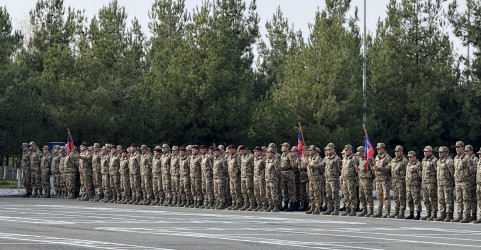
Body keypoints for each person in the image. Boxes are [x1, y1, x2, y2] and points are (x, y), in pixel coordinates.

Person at [453, 141, 472, 223]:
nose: (457, 149)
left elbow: (472, 170)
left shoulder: (467, 158)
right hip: (458, 182)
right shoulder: (455, 158)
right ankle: (459, 215)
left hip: (465, 182)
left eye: (459, 147)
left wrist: (467, 179)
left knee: (466, 199)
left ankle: (466, 216)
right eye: (456, 147)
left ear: (463, 148)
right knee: (459, 199)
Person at [322, 143, 342, 216]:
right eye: (327, 150)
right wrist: (312, 166)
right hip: (327, 179)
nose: (328, 151)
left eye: (329, 149)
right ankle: (329, 208)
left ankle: (336, 209)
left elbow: (340, 170)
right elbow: (321, 165)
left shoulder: (337, 159)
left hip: (334, 179)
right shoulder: (326, 158)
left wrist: (336, 175)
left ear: (333, 149)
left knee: (335, 195)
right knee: (328, 195)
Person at [373, 143, 392, 218]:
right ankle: (379, 211)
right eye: (377, 149)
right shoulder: (377, 157)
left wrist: (379, 168)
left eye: (379, 149)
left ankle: (387, 211)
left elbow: (389, 168)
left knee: (386, 196)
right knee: (379, 196)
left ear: (383, 149)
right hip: (378, 179)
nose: (378, 150)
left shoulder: (388, 158)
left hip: (385, 180)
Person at [436, 146, 455, 222]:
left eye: (441, 152)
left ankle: (449, 214)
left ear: (446, 153)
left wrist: (452, 183)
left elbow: (453, 173)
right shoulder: (439, 162)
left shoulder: (449, 161)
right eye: (439, 152)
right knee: (441, 200)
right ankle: (442, 214)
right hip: (440, 184)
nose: (440, 154)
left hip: (447, 184)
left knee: (448, 200)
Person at [356, 146, 375, 217]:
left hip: (367, 180)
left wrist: (370, 178)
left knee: (368, 195)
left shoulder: (369, 159)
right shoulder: (361, 160)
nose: (359, 154)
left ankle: (371, 210)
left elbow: (373, 170)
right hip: (361, 180)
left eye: (360, 153)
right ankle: (364, 209)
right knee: (361, 196)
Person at [390, 145, 408, 218]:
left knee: (401, 197)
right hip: (394, 182)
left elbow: (408, 171)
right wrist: (378, 168)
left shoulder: (404, 160)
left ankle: (401, 212)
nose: (396, 153)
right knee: (396, 197)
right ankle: (396, 211)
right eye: (395, 151)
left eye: (397, 151)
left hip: (401, 182)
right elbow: (388, 168)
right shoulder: (393, 160)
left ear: (401, 152)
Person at [340, 145, 359, 216]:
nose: (346, 151)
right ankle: (347, 209)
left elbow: (357, 170)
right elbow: (343, 169)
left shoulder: (353, 159)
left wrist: (356, 179)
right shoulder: (345, 159)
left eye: (347, 150)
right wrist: (341, 178)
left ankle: (353, 209)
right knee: (345, 195)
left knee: (352, 195)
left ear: (351, 150)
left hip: (351, 180)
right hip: (345, 180)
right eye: (345, 150)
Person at [421, 145, 438, 220]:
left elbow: (437, 171)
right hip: (425, 182)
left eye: (426, 151)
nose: (425, 153)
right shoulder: (423, 160)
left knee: (432, 198)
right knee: (426, 199)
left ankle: (434, 213)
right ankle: (428, 212)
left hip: (431, 182)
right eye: (424, 151)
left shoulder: (434, 160)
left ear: (430, 152)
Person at [305, 145, 323, 215]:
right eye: (309, 150)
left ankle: (317, 207)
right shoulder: (309, 158)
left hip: (316, 179)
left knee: (317, 194)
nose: (309, 151)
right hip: (310, 179)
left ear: (314, 151)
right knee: (311, 194)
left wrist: (313, 166)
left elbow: (321, 166)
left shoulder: (318, 158)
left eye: (311, 150)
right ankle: (312, 206)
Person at [279, 142, 297, 211]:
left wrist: (291, 171)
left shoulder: (290, 155)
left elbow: (294, 165)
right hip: (283, 174)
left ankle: (292, 204)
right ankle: (285, 204)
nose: (282, 147)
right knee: (285, 190)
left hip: (289, 173)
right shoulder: (282, 155)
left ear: (286, 147)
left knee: (291, 190)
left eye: (283, 146)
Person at [405, 151, 422, 220]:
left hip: (415, 185)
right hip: (408, 185)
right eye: (409, 157)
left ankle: (418, 214)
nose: (410, 158)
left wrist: (418, 183)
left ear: (414, 157)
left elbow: (420, 175)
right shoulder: (408, 164)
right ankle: (411, 213)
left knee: (416, 200)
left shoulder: (418, 164)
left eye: (411, 157)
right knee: (409, 200)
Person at [226, 145, 242, 210]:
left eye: (230, 149)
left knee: (237, 190)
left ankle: (238, 203)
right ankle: (233, 203)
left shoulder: (237, 157)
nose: (229, 151)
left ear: (234, 149)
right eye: (228, 149)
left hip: (236, 177)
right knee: (232, 191)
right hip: (231, 177)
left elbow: (240, 167)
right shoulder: (229, 158)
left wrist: (238, 174)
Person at [264, 148, 280, 212]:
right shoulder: (267, 160)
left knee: (274, 193)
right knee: (268, 194)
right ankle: (270, 205)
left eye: (268, 152)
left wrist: (275, 177)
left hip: (273, 179)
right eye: (267, 152)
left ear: (272, 153)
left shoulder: (275, 161)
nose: (267, 154)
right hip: (267, 179)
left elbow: (278, 171)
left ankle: (276, 206)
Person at [253, 146, 266, 211]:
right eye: (255, 151)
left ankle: (264, 205)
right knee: (256, 193)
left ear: (261, 152)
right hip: (255, 178)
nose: (256, 152)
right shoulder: (255, 159)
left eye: (257, 151)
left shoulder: (263, 159)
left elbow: (266, 168)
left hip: (261, 178)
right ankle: (259, 205)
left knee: (262, 192)